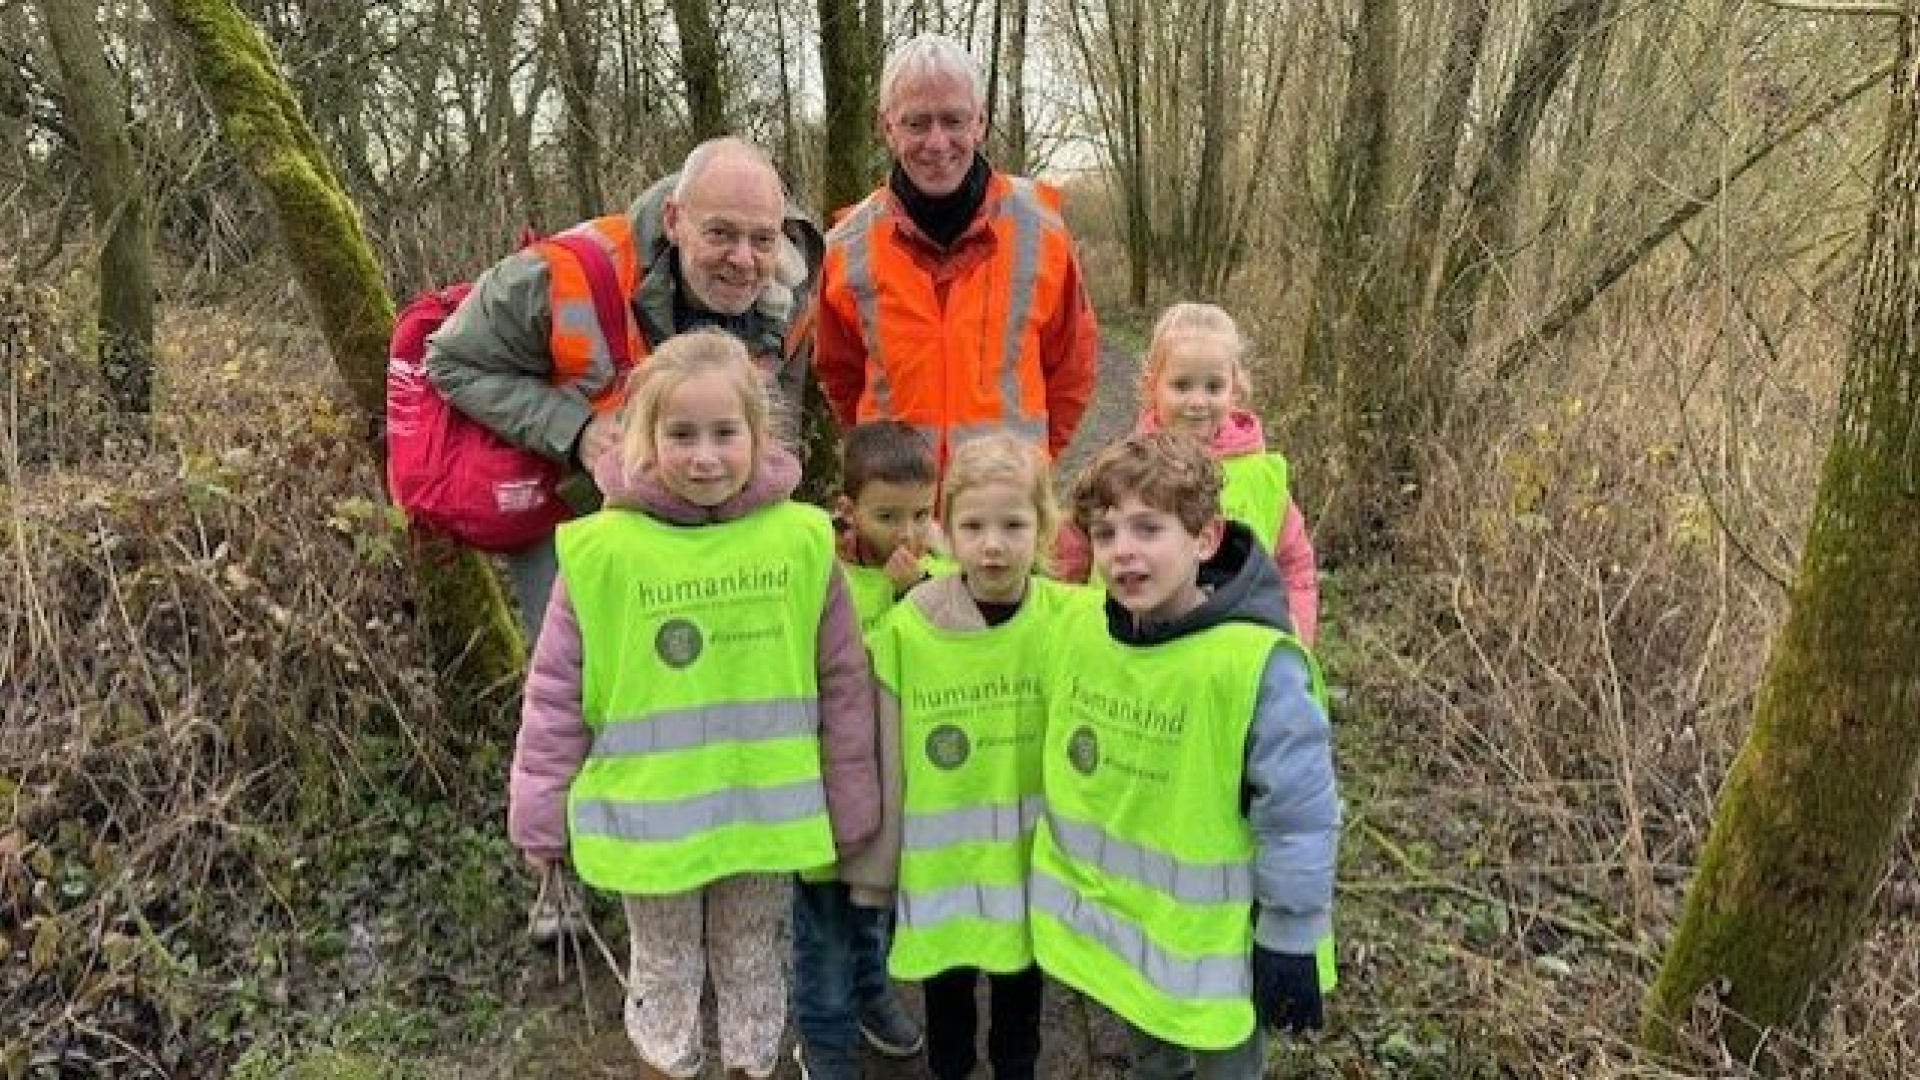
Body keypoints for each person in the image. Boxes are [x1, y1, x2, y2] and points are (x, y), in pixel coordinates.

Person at [429, 136, 823, 941]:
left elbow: (780, 407)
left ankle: (700, 841)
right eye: (720, 234)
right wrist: (575, 430)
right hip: (581, 518)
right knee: (573, 687)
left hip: (705, 515)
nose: (744, 260)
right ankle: (559, 874)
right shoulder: (564, 275)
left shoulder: (789, 289)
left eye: (761, 238)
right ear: (674, 220)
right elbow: (453, 361)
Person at [506, 330, 879, 1080]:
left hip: (762, 816)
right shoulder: (602, 552)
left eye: (724, 433)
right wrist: (540, 811)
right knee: (664, 968)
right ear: (644, 438)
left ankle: (751, 1068)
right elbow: (555, 695)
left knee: (754, 962)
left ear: (758, 436)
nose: (704, 457)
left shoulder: (801, 542)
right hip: (652, 824)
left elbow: (842, 681)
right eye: (681, 434)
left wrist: (851, 797)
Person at [1031, 432, 1339, 1080]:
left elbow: (1299, 816)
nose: (1123, 551)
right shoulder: (1085, 630)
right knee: (1153, 1058)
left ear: (1205, 538)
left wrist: (1290, 933)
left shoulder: (1256, 666)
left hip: (1222, 953)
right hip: (1135, 939)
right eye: (1106, 533)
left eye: (1148, 528)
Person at [843, 433, 1085, 1080]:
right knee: (947, 1009)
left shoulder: (1070, 621)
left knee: (1019, 1009)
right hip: (941, 868)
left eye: (1013, 525)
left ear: (1043, 527)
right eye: (973, 526)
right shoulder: (911, 624)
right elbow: (866, 723)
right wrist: (874, 864)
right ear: (945, 530)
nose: (993, 545)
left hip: (1027, 861)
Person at [814, 32, 1099, 479]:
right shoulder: (846, 247)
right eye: (916, 123)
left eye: (953, 120)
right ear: (887, 128)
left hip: (1006, 503)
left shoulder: (1042, 231)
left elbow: (1072, 369)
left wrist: (1032, 466)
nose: (937, 142)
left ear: (980, 122)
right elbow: (840, 376)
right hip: (896, 505)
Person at [789, 421, 937, 1078]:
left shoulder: (935, 572)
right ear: (847, 509)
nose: (907, 533)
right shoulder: (820, 576)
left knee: (874, 909)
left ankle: (873, 995)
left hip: (891, 785)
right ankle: (825, 1045)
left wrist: (917, 591)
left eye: (922, 515)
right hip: (826, 785)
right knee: (824, 929)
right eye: (888, 516)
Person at [1054, 302, 1319, 645]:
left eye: (1213, 387)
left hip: (1227, 654)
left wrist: (1295, 632)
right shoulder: (1120, 467)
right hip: (1121, 647)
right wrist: (1067, 625)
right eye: (1181, 386)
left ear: (1235, 389)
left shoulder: (1263, 478)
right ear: (1152, 386)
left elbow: (1296, 566)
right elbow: (1069, 553)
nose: (1197, 402)